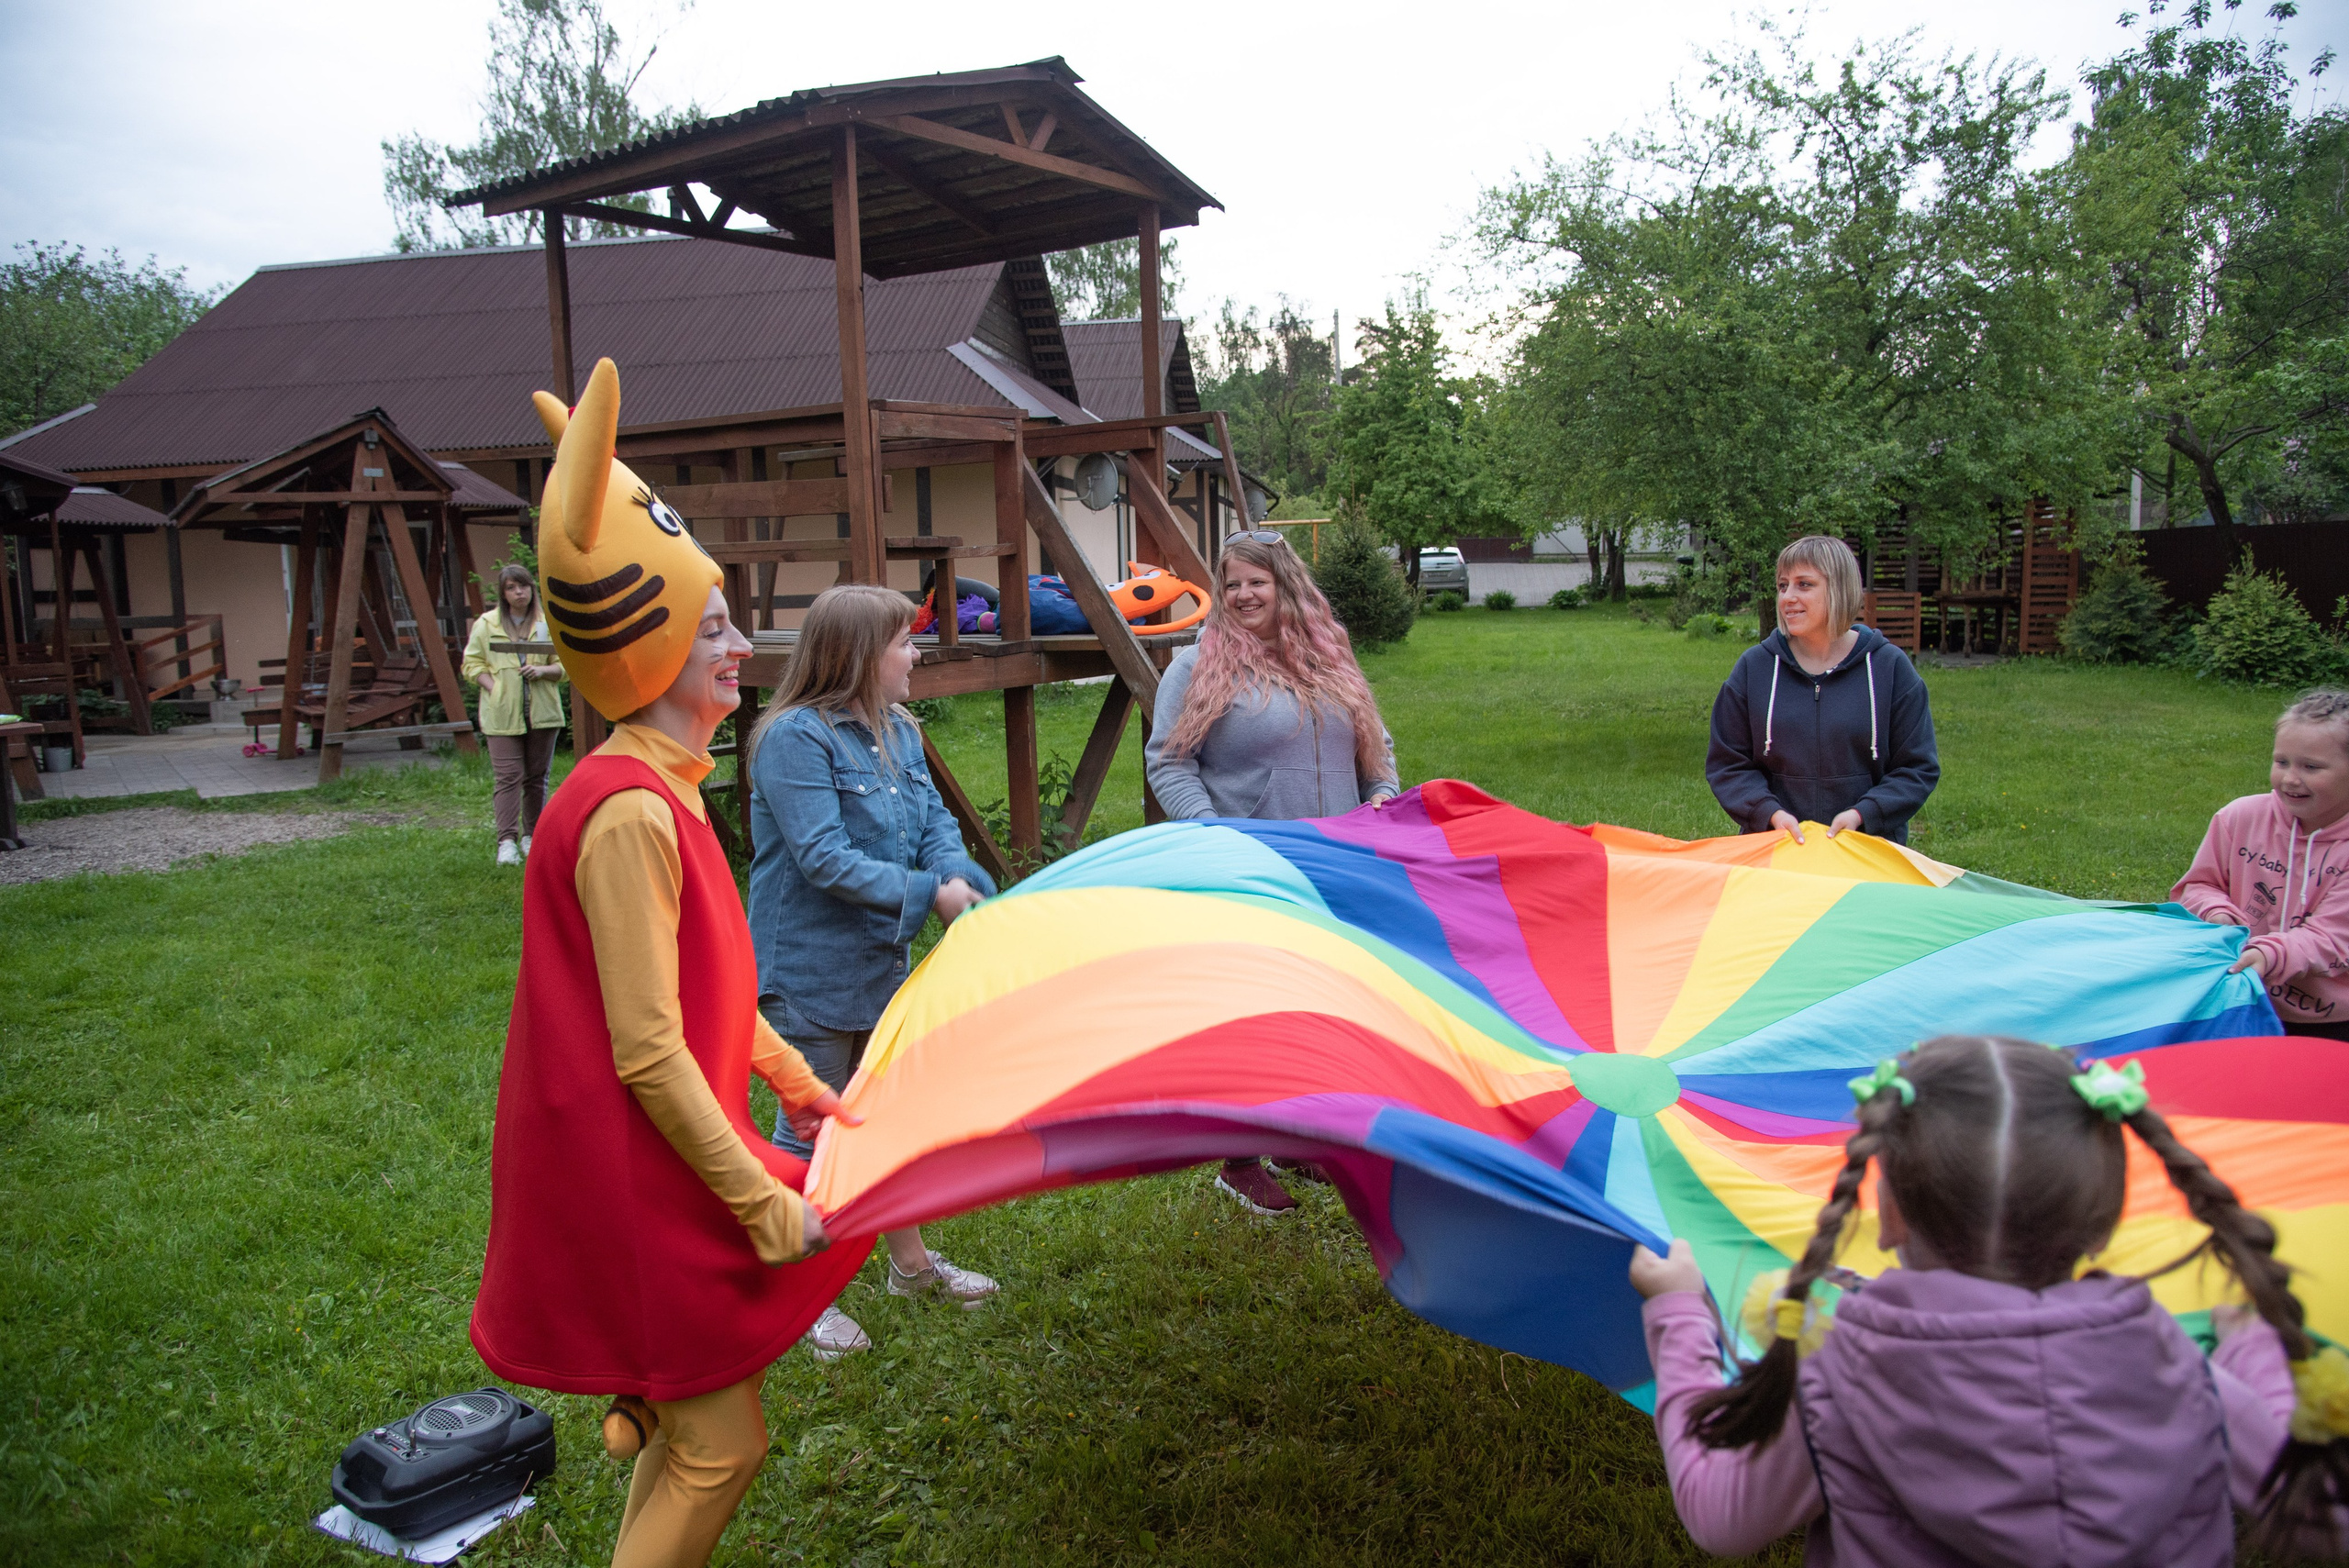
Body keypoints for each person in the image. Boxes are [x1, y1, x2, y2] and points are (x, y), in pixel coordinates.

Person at [473, 359, 872, 1568]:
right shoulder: (628, 811)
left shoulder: (664, 788)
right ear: (643, 647)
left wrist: (796, 1084)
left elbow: (707, 993)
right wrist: (761, 1197)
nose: (744, 647)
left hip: (657, 1153)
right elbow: (646, 1046)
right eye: (714, 630)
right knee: (718, 1443)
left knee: (681, 1425)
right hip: (633, 1172)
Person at [1629, 1033, 2345, 1565]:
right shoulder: (2176, 1366)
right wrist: (2253, 1349)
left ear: (1891, 1216)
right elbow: (2320, 1512)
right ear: (2104, 1224)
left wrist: (1681, 1315)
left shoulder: (1842, 1373)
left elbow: (1721, 1515)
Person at [746, 584, 1002, 1362]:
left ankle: (911, 1270)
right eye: (902, 642)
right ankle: (787, 1300)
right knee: (806, 1135)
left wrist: (956, 880)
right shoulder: (794, 739)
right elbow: (823, 859)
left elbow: (937, 831)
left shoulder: (900, 731)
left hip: (879, 967)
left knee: (884, 1118)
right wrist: (934, 894)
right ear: (859, 655)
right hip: (810, 972)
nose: (915, 654)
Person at [1145, 530, 1400, 1217]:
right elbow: (1169, 761)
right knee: (1252, 1010)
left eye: (1256, 581)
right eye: (1232, 584)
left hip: (1337, 861)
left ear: (1286, 585)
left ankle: (1299, 1138)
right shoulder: (1196, 667)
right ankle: (1239, 1156)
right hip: (1252, 865)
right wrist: (1214, 831)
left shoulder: (1329, 657)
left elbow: (1374, 740)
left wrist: (1380, 792)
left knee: (1320, 1002)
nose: (1242, 594)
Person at [1708, 535, 1938, 844]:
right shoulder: (1755, 668)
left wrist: (1863, 814)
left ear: (1839, 589)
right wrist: (1769, 813)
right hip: (1777, 850)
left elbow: (1916, 767)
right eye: (1782, 585)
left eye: (1804, 584)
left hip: (1867, 850)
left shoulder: (1889, 668)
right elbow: (1728, 763)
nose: (1788, 596)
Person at [2175, 687, 2349, 1040]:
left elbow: (2332, 937)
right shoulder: (2240, 818)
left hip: (2328, 1020)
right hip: (2237, 999)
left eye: (2311, 767)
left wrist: (2269, 955)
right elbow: (2198, 885)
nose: (2290, 778)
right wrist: (2215, 910)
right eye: (2281, 762)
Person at [462, 562, 566, 864]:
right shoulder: (487, 624)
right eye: (511, 587)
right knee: (507, 777)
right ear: (503, 593)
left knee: (536, 778)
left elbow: (566, 666)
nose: (518, 592)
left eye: (523, 586)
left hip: (542, 713)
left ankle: (531, 836)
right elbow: (472, 664)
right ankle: (505, 842)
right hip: (502, 715)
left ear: (532, 589)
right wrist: (493, 687)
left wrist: (544, 670)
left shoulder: (546, 622)